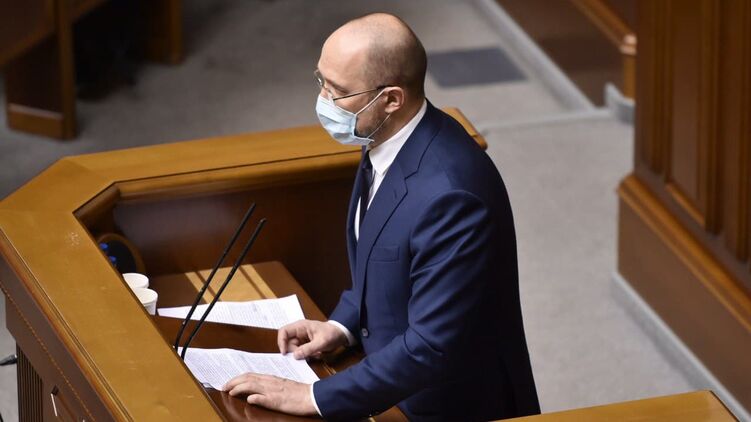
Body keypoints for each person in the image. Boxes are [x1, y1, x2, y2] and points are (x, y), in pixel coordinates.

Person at [224, 13, 540, 421]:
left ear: (391, 99)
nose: (323, 101)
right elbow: (386, 265)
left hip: (445, 405)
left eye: (337, 91)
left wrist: (313, 397)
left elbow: (431, 345)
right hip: (392, 379)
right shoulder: (385, 133)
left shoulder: (452, 197)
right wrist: (341, 326)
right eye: (321, 81)